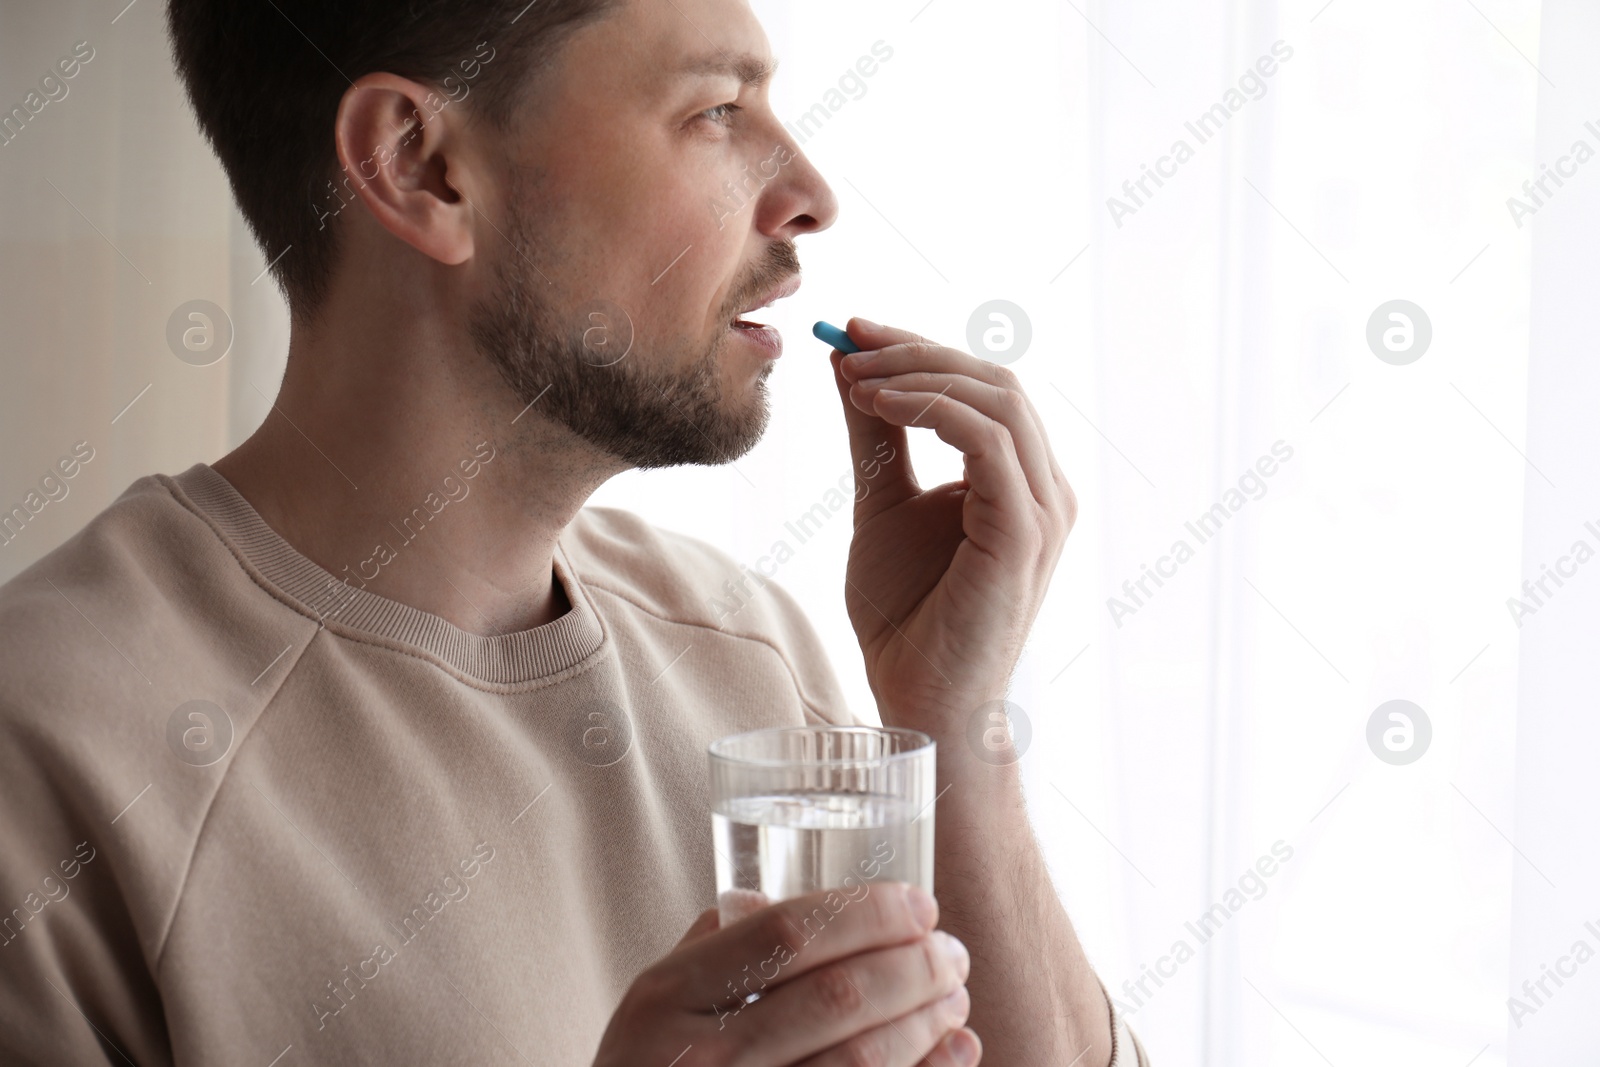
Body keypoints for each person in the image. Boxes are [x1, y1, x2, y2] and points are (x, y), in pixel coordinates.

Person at [0, 0, 1148, 1064]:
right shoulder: (43, 744)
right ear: (423, 167)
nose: (809, 190)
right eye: (715, 111)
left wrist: (952, 723)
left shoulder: (743, 642)